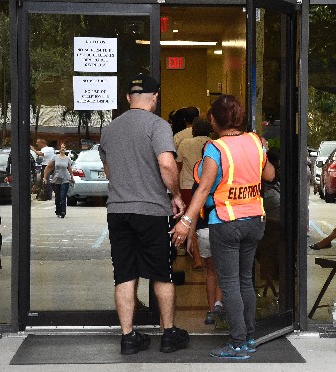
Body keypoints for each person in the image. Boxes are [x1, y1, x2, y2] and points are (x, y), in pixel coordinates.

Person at [171, 94, 275, 360]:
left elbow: (204, 187)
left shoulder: (216, 149)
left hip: (226, 223)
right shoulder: (255, 141)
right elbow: (270, 175)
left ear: (214, 121)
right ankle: (249, 337)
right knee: (245, 281)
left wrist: (185, 222)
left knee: (228, 284)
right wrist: (261, 151)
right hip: (254, 221)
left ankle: (238, 342)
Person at [99, 73, 189, 356]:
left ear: (128, 98)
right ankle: (168, 333)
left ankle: (128, 337)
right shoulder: (158, 126)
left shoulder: (109, 130)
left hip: (118, 210)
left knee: (124, 274)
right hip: (151, 210)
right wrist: (175, 195)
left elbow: (109, 171)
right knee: (162, 273)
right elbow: (166, 163)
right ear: (155, 97)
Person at [176, 117, 213, 269]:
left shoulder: (185, 143)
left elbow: (177, 166)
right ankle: (209, 256)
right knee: (206, 221)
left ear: (193, 130)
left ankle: (197, 258)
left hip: (187, 186)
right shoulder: (214, 143)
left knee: (191, 221)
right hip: (209, 187)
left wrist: (175, 190)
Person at [43, 143, 74, 218]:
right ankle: (58, 211)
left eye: (64, 147)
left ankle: (63, 211)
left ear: (65, 149)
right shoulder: (55, 158)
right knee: (58, 197)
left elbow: (69, 168)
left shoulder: (67, 158)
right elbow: (48, 167)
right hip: (56, 179)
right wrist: (44, 177)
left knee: (63, 196)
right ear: (59, 149)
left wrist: (72, 177)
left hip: (65, 179)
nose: (63, 149)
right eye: (61, 147)